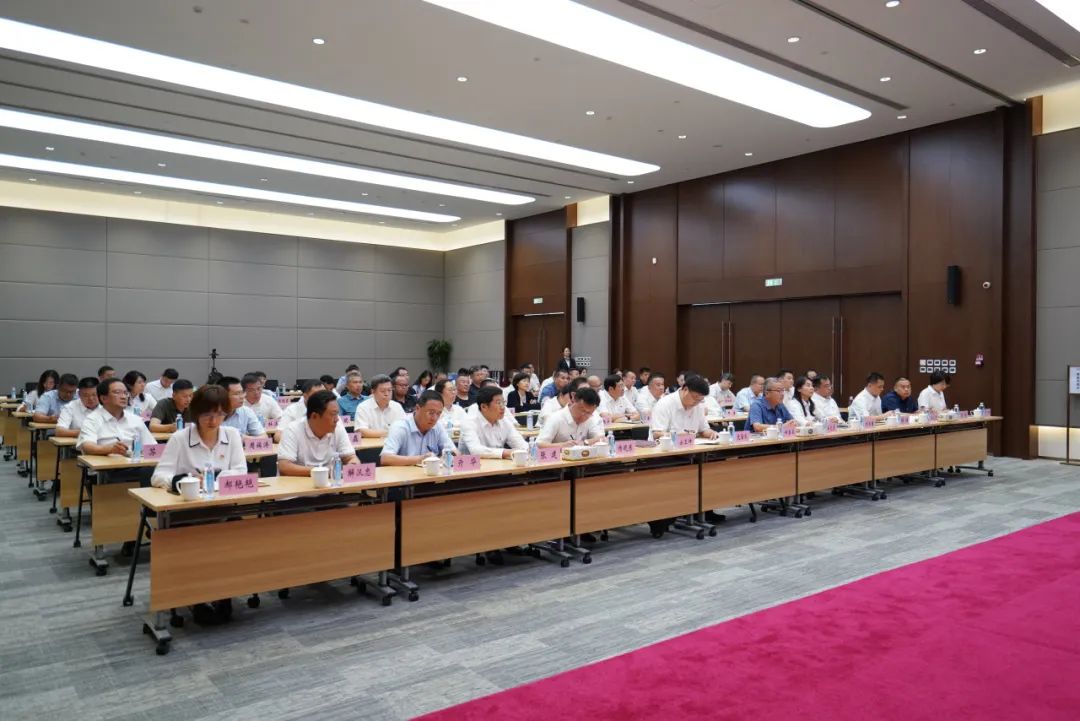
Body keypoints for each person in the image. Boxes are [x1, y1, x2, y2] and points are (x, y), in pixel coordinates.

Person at [150, 384, 247, 491]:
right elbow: (158, 477)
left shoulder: (232, 434)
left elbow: (241, 471)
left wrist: (216, 478)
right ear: (196, 413)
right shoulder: (179, 438)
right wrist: (185, 480)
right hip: (188, 498)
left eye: (220, 414)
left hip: (223, 497)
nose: (213, 421)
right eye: (207, 415)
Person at [278, 390, 359, 476]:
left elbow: (351, 457)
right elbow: (284, 466)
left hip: (330, 482)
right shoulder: (293, 429)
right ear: (314, 416)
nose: (337, 419)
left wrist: (352, 465)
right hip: (300, 482)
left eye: (337, 414)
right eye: (333, 414)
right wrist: (323, 472)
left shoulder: (337, 426)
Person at [76, 378, 156, 456]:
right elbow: (87, 446)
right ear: (103, 398)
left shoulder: (135, 419)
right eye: (117, 392)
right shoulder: (92, 419)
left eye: (125, 393)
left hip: (134, 461)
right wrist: (110, 450)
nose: (123, 397)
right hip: (106, 463)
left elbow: (152, 447)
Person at [380, 390, 457, 466]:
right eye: (431, 413)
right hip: (405, 473)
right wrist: (420, 459)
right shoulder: (400, 427)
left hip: (431, 473)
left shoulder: (438, 426)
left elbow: (455, 452)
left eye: (438, 414)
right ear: (417, 408)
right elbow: (385, 458)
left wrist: (449, 456)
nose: (434, 418)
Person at [460, 386, 529, 459]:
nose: (503, 407)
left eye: (503, 402)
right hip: (471, 465)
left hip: (498, 464)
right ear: (484, 407)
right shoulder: (469, 422)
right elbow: (476, 450)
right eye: (498, 403)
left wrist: (528, 449)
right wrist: (506, 452)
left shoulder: (504, 421)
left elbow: (520, 443)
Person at [650, 375, 718, 440]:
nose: (697, 403)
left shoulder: (699, 404)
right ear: (685, 389)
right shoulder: (664, 404)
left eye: (700, 400)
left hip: (693, 446)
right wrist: (676, 436)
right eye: (695, 397)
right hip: (665, 447)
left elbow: (703, 430)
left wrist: (712, 433)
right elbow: (656, 434)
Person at [536, 387, 606, 447]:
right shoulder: (556, 418)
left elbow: (601, 438)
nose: (584, 415)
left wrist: (585, 442)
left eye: (588, 413)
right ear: (573, 401)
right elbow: (540, 444)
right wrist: (563, 445)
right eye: (582, 410)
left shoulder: (591, 418)